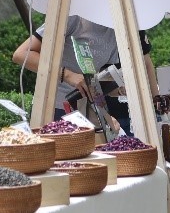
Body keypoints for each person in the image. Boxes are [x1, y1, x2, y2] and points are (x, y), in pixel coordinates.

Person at [12, 16, 154, 133]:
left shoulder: (116, 32)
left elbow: (96, 79)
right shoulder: (73, 17)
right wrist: (68, 75)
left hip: (84, 111)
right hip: (52, 106)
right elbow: (21, 54)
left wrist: (117, 91)